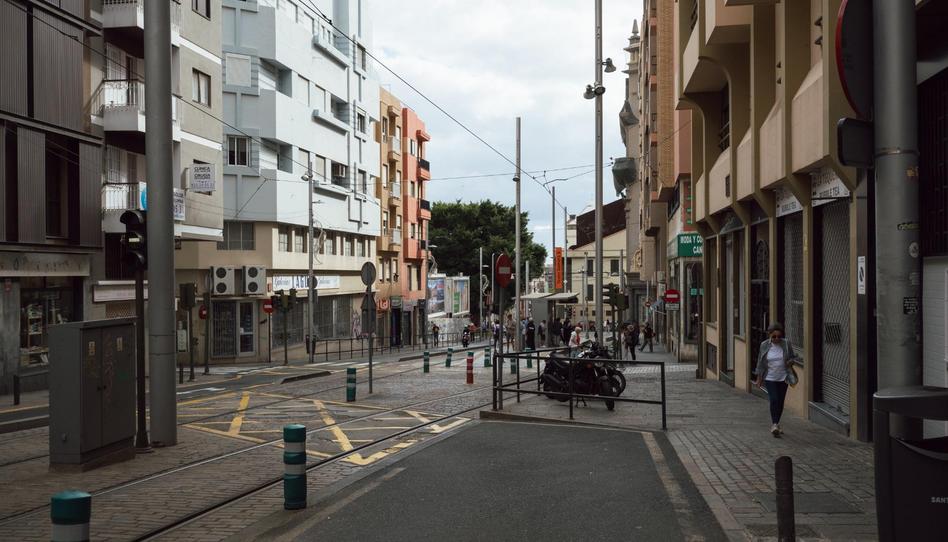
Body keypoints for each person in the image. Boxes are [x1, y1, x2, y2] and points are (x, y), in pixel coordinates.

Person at [755, 323, 798, 437]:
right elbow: (761, 363)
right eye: (774, 336)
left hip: (784, 377)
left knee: (780, 401)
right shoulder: (764, 345)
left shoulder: (786, 344)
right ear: (769, 335)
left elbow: (793, 357)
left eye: (779, 336)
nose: (777, 339)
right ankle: (774, 424)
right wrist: (759, 378)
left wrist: (790, 361)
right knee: (774, 399)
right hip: (770, 377)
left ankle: (777, 424)